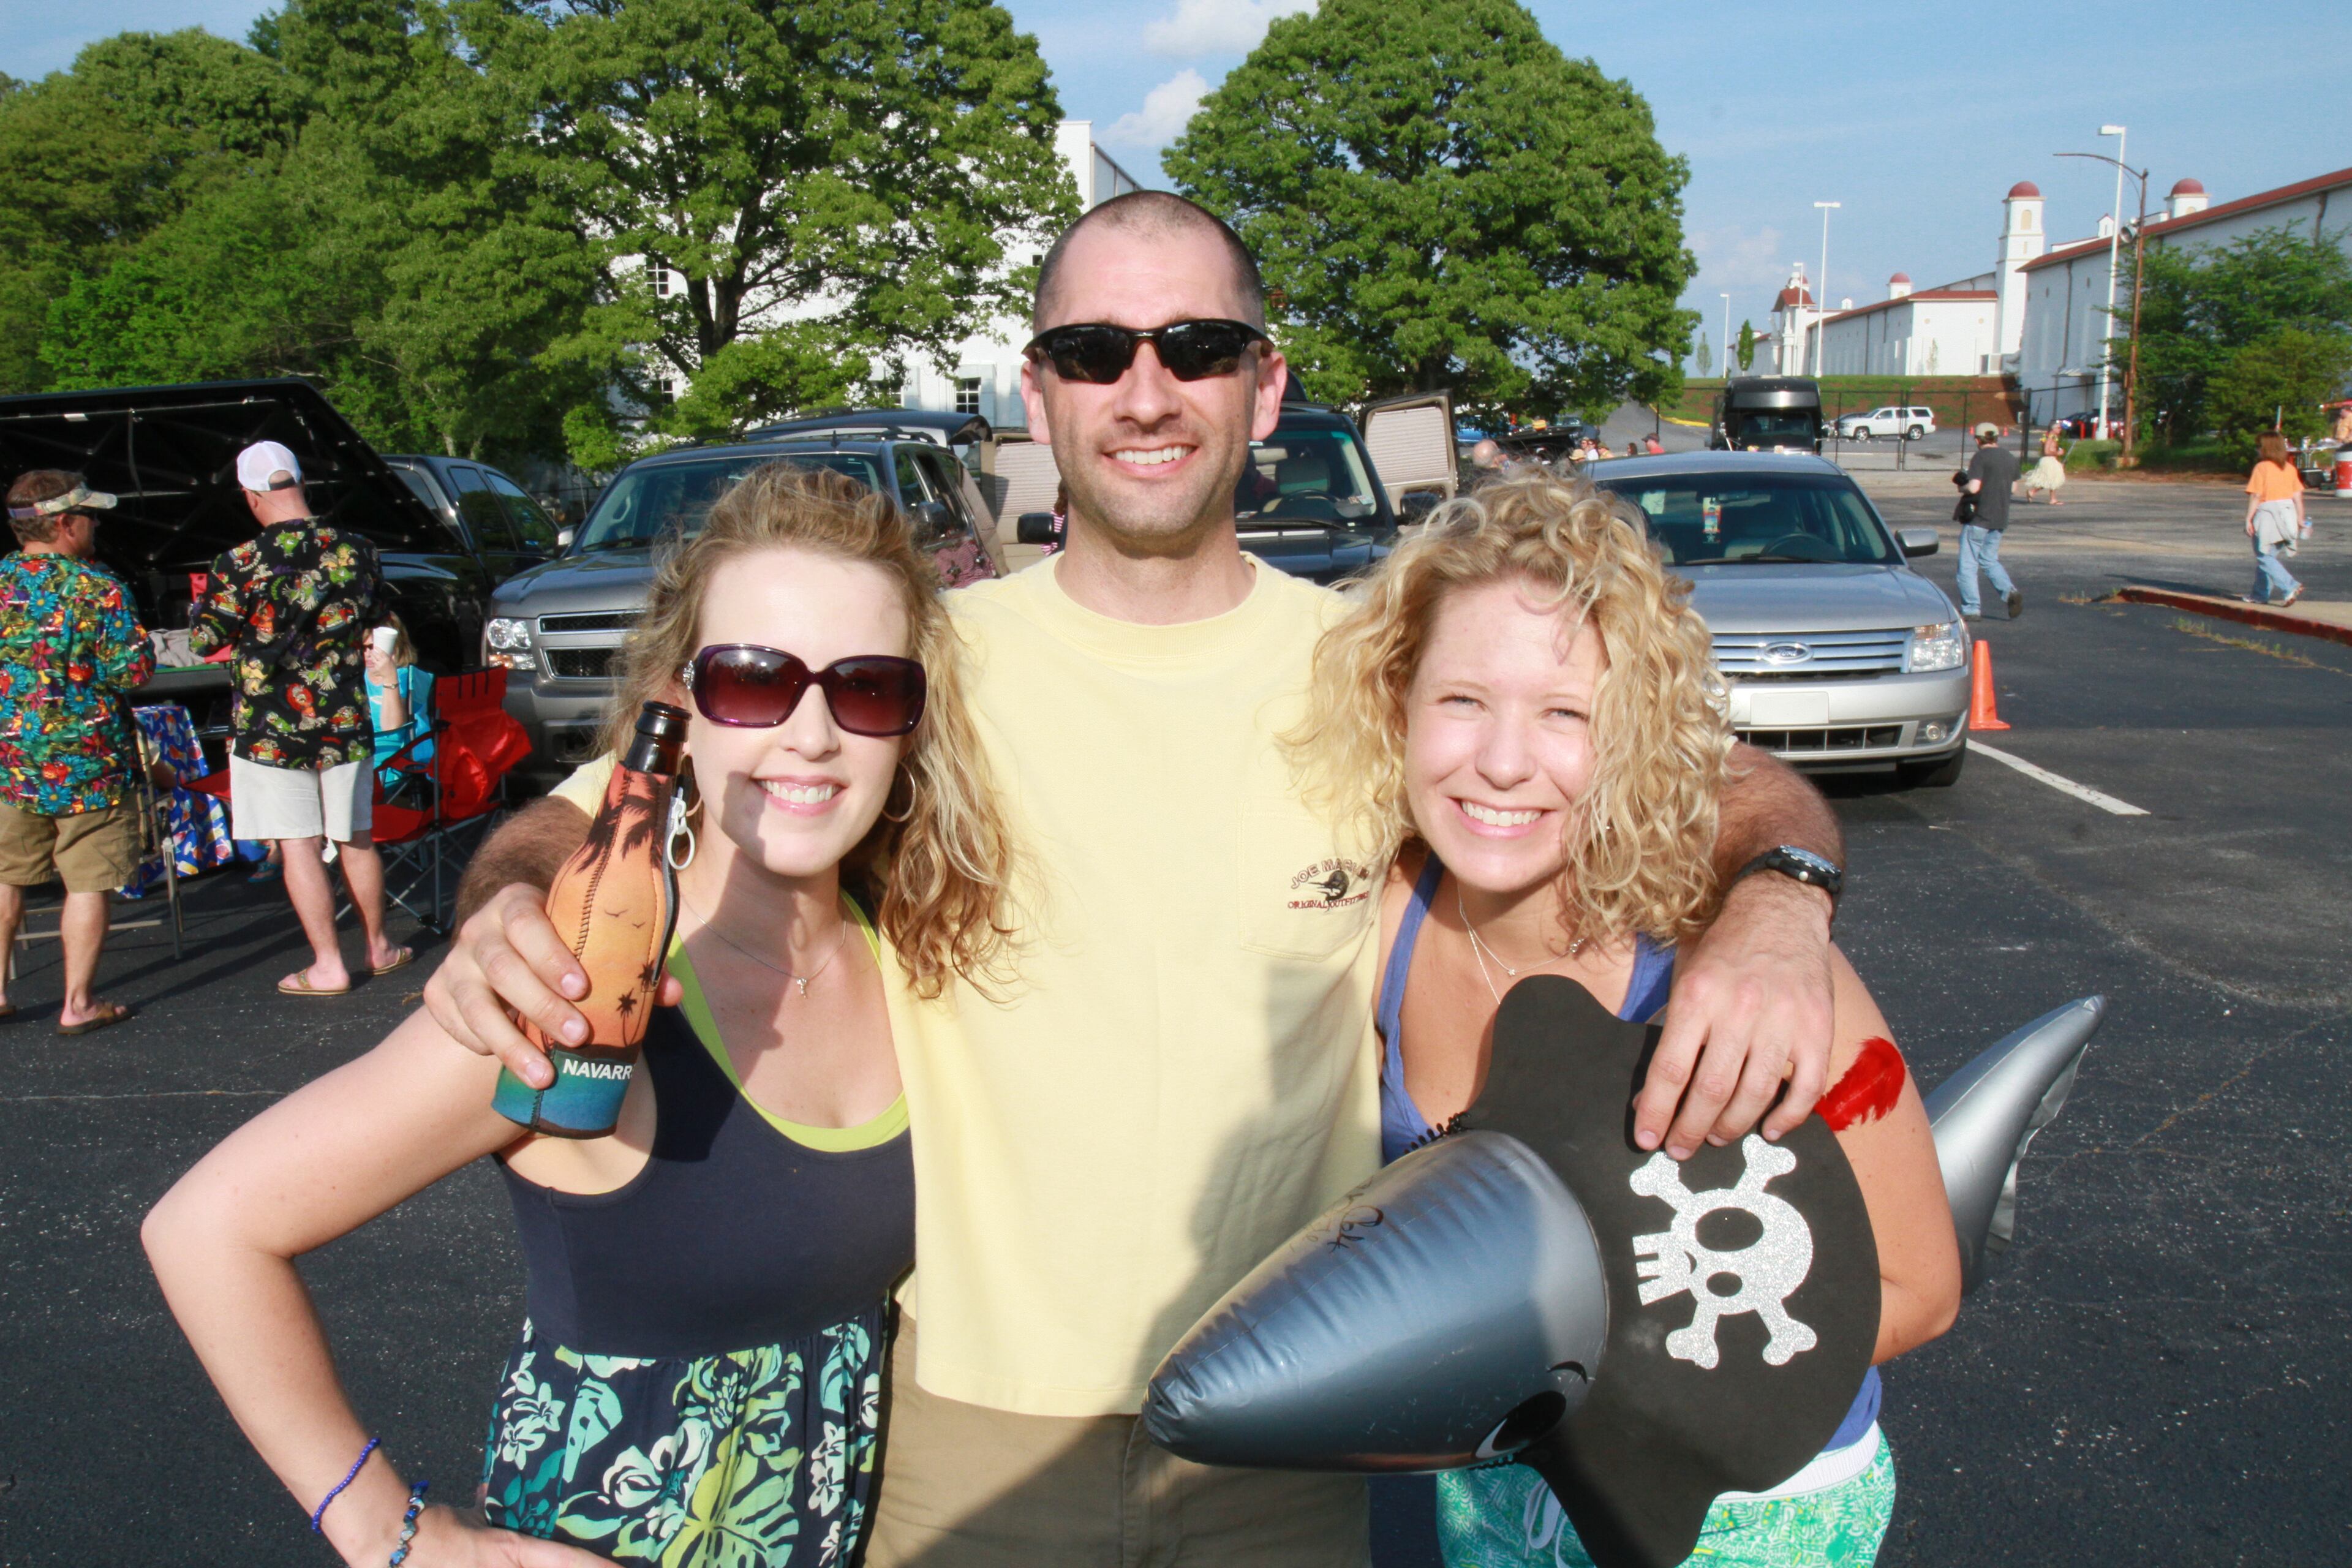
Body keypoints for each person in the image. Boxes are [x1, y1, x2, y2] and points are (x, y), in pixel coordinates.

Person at [428, 192, 1852, 1567]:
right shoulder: (902, 671)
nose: (1147, 388)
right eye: (1096, 352)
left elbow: (1685, 768)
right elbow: (600, 807)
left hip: (1292, 1427)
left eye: (1198, 347)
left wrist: (1780, 894)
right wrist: (506, 899)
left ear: (1266, 383)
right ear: (1037, 394)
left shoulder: (1374, 664)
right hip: (969, 1433)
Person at [145, 465, 1017, 1565]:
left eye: (867, 687)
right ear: (677, 706)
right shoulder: (585, 977)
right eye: (754, 680)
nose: (812, 735)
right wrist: (398, 1537)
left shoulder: (898, 940)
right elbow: (208, 1229)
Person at [1291, 467, 1959, 1568]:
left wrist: (1606, 1372)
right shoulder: (1387, 922)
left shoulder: (1739, 960)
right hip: (1500, 1497)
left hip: (1748, 1513)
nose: (1502, 763)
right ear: (1398, 701)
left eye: (1566, 715)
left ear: (1634, 737)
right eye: (1462, 700)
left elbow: (1921, 1289)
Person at [190, 441, 409, 996]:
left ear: (252, 496)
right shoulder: (358, 550)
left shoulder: (238, 563)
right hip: (343, 716)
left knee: (298, 844)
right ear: (300, 485)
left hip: (269, 727)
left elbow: (204, 640)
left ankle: (329, 965)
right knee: (356, 836)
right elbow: (380, 617)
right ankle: (379, 946)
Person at [0, 470, 156, 1034]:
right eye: (90, 515)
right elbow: (131, 672)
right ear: (65, 524)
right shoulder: (99, 588)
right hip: (89, 762)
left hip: (11, 759)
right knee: (87, 880)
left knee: (6, 875)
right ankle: (77, 1003)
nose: (96, 525)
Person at [1956, 423, 2021, 621]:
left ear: (1978, 439)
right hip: (2000, 518)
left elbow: (1974, 487)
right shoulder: (2010, 458)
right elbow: (2013, 489)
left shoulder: (1980, 457)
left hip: (1979, 518)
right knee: (1989, 560)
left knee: (1967, 564)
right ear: (1996, 438)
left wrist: (1962, 487)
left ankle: (1971, 609)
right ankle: (2010, 593)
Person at [364, 612, 435, 790]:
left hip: (392, 757)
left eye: (374, 647)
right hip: (362, 750)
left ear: (394, 647)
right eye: (363, 648)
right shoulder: (357, 676)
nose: (368, 655)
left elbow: (393, 730)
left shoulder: (407, 678)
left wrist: (389, 677)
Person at [2244, 431, 2306, 607]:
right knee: (2269, 558)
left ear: (2266, 448)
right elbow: (2298, 498)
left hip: (2267, 516)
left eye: (2259, 446)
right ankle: (2260, 595)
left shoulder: (2261, 468)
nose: (2257, 450)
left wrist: (2248, 518)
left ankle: (2290, 585)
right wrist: (2300, 520)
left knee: (2264, 556)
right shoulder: (2290, 468)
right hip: (2288, 515)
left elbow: (2256, 495)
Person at [2025, 425, 2067, 506]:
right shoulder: (2051, 437)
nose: (2060, 430)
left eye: (2060, 428)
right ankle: (2051, 499)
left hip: (2051, 460)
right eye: (2058, 428)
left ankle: (2034, 493)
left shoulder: (2052, 437)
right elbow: (2047, 452)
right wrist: (2058, 453)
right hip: (2049, 460)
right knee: (2052, 479)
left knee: (2051, 479)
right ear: (2053, 429)